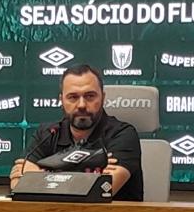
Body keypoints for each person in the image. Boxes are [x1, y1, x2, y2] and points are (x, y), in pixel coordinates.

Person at [10, 64, 143, 201]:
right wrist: (88, 179)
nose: (81, 105)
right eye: (73, 97)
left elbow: (103, 189)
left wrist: (44, 178)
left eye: (90, 96)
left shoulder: (122, 134)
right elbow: (18, 185)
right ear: (61, 100)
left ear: (103, 98)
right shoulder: (47, 134)